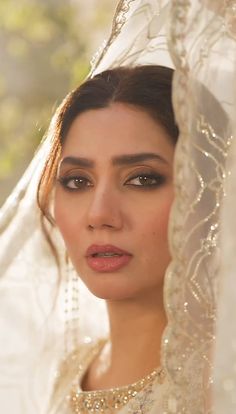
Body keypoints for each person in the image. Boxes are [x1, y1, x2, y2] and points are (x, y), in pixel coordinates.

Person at [37, 64, 178, 414]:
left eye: (142, 179)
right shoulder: (72, 369)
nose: (99, 214)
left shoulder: (219, 383)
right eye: (77, 181)